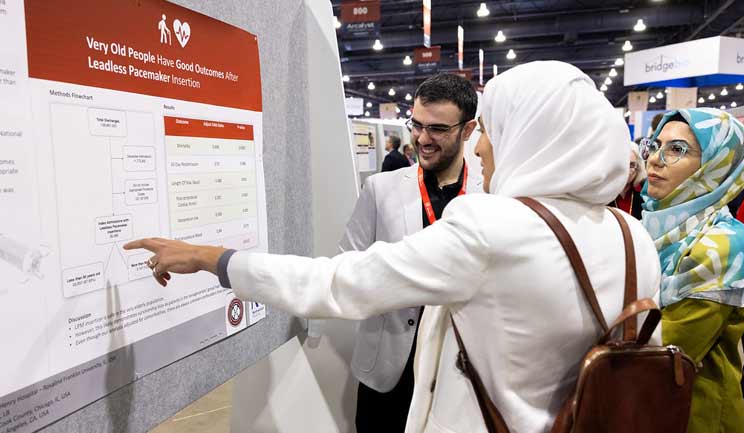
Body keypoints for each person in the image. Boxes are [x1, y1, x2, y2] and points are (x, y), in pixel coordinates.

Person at [124, 61, 661, 433]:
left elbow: (338, 283)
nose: (481, 145)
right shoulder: (633, 235)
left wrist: (212, 258)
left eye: (492, 129)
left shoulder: (493, 227)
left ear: (533, 136)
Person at [340, 73, 483, 433]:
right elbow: (346, 263)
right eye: (416, 125)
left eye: (437, 129)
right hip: (389, 371)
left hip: (460, 369)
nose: (421, 138)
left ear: (468, 130)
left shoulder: (491, 193)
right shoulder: (380, 189)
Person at [639, 108, 744, 433]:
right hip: (645, 407)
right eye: (656, 145)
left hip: (696, 413)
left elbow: (670, 347)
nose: (656, 159)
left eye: (677, 149)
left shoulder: (725, 244)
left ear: (716, 164)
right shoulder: (653, 223)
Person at [609, 142, 645, 219]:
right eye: (624, 164)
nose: (627, 170)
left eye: (632, 165)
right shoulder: (604, 191)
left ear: (638, 167)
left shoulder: (644, 193)